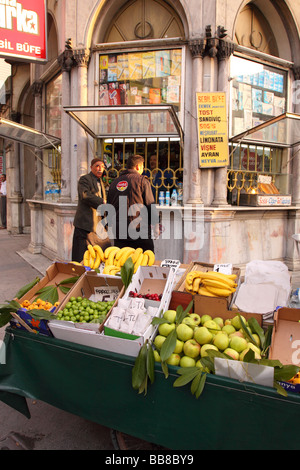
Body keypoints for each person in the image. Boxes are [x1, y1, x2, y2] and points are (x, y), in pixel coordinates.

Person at [107, 154, 160, 252]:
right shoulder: (141, 181)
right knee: (144, 261)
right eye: (142, 167)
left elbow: (109, 209)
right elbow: (150, 205)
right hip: (139, 230)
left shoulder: (114, 183)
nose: (142, 170)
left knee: (123, 262)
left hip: (120, 232)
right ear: (138, 167)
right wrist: (156, 225)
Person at [71, 158, 108, 262]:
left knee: (99, 256)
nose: (100, 169)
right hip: (84, 225)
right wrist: (103, 201)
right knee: (80, 256)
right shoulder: (84, 179)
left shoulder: (101, 181)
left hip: (97, 226)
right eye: (97, 166)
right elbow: (85, 195)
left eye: (102, 166)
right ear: (91, 167)